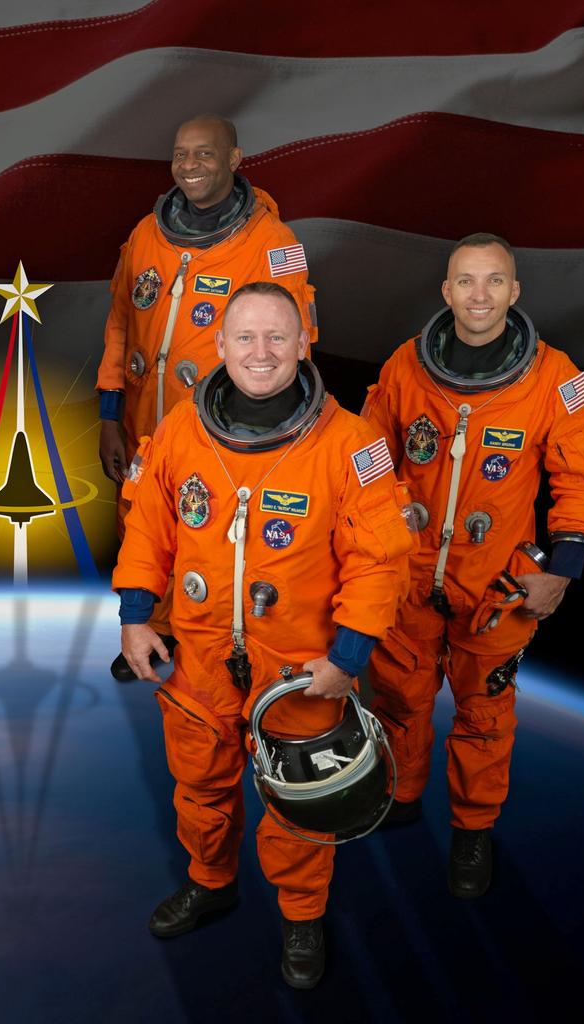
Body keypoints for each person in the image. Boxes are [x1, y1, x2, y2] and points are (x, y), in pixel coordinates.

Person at [114, 282, 412, 989]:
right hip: (199, 656)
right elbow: (149, 527)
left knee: (300, 803)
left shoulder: (351, 444)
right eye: (244, 337)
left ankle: (303, 918)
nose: (261, 352)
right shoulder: (184, 431)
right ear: (217, 347)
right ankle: (211, 883)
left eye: (277, 337)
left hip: (304, 670)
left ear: (303, 343)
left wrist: (347, 659)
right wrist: (133, 616)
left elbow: (381, 560)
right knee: (199, 785)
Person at [361, 233, 584, 898]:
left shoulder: (559, 377)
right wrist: (378, 531)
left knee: (484, 715)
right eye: (466, 282)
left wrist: (562, 570)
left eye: (494, 281)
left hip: (495, 587)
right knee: (395, 698)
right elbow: (366, 458)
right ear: (446, 292)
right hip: (409, 579)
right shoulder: (404, 367)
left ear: (515, 290)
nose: (479, 295)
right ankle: (401, 795)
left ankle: (473, 831)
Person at [98, 115, 317, 681]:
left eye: (205, 155)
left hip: (218, 432)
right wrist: (108, 414)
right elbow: (120, 325)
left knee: (206, 527)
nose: (190, 167)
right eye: (181, 155)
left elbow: (296, 345)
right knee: (142, 523)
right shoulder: (148, 233)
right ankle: (149, 628)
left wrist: (274, 442)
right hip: (141, 422)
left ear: (235, 159)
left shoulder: (272, 245)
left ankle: (208, 639)